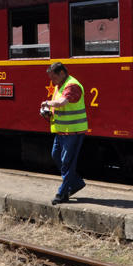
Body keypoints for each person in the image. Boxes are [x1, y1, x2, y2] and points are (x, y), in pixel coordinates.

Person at [40, 62, 87, 205]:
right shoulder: (59, 85)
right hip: (62, 132)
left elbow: (62, 102)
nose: (51, 80)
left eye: (53, 77)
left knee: (67, 163)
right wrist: (48, 112)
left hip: (73, 131)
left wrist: (47, 103)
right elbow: (58, 105)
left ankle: (62, 193)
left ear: (62, 73)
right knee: (56, 156)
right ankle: (76, 183)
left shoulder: (72, 85)